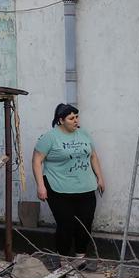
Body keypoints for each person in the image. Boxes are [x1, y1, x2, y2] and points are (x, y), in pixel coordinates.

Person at [32, 103, 104, 257]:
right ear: (61, 120)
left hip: (86, 187)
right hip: (58, 188)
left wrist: (100, 177)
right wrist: (41, 186)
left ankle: (80, 257)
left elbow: (93, 156)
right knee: (66, 225)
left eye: (77, 117)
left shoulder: (83, 134)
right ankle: (62, 259)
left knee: (85, 223)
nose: (76, 121)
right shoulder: (49, 137)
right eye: (71, 118)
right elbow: (37, 160)